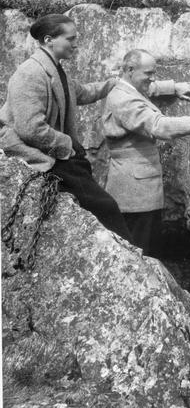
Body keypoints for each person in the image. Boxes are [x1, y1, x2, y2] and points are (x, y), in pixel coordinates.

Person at [0, 14, 130, 239]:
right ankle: (132, 259)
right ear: (49, 39)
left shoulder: (54, 68)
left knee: (100, 202)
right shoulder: (29, 74)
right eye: (70, 39)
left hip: (54, 150)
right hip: (34, 152)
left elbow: (82, 92)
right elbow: (30, 129)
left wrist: (115, 84)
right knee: (105, 206)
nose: (76, 43)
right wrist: (68, 146)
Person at [102, 49, 190, 258]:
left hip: (136, 188)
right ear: (129, 70)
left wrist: (172, 87)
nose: (152, 78)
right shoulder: (124, 100)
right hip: (135, 194)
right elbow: (160, 126)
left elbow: (147, 88)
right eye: (148, 73)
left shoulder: (126, 88)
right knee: (139, 253)